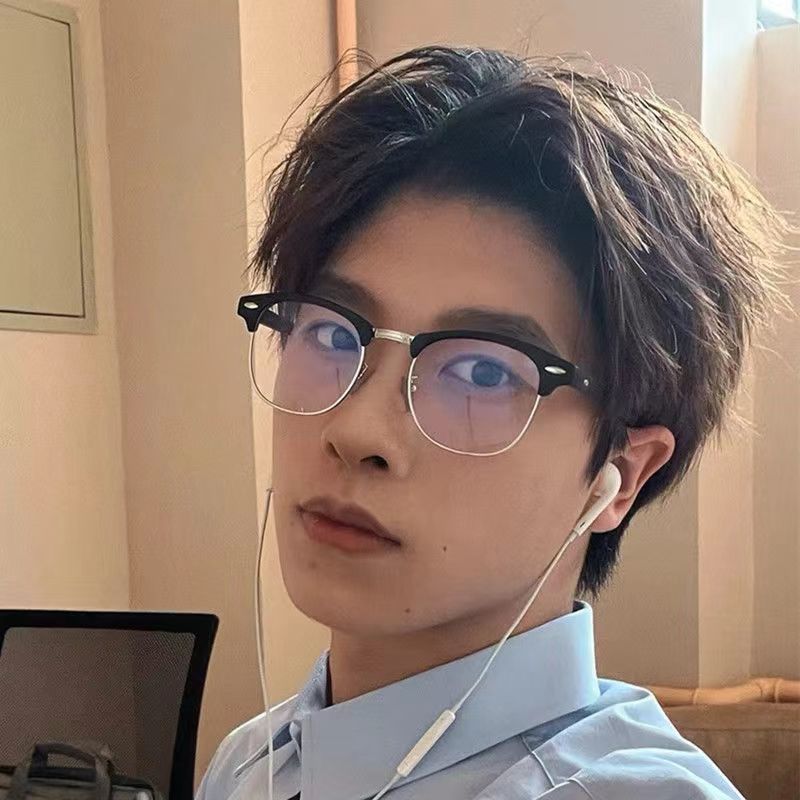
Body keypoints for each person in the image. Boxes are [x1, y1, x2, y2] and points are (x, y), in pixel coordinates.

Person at [196, 45, 790, 800]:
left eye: (482, 372)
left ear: (619, 476)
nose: (357, 431)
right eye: (333, 333)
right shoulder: (251, 762)